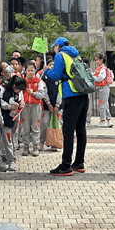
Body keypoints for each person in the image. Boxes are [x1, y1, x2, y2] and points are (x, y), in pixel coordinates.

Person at [47, 36, 88, 176]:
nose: (54, 49)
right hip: (83, 95)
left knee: (68, 131)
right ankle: (79, 163)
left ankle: (65, 166)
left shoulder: (60, 55)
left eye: (54, 47)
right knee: (81, 130)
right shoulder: (76, 56)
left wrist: (46, 70)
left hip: (72, 96)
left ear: (57, 46)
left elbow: (56, 75)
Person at [0, 75, 25, 172]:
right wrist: (8, 106)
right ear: (14, 86)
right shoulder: (2, 88)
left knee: (8, 140)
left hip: (10, 119)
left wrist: (17, 107)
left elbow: (21, 102)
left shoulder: (18, 93)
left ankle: (11, 160)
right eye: (18, 89)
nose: (19, 92)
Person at [21, 60, 46, 157]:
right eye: (28, 70)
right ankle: (26, 146)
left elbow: (42, 94)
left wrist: (33, 93)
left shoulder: (39, 82)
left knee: (35, 127)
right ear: (25, 71)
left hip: (36, 106)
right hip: (25, 106)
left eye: (32, 70)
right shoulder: (22, 82)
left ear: (35, 71)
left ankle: (35, 146)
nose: (30, 72)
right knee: (26, 127)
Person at [39, 57, 60, 151]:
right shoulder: (44, 77)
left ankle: (54, 143)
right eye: (49, 64)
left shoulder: (59, 76)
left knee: (56, 124)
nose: (51, 66)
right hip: (46, 105)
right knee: (44, 123)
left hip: (57, 105)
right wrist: (48, 103)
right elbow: (44, 91)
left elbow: (61, 92)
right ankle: (41, 142)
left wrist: (57, 105)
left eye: (53, 64)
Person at [93, 53, 113, 127]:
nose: (96, 61)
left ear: (101, 60)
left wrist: (91, 77)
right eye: (96, 60)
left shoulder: (102, 68)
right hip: (103, 87)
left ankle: (103, 120)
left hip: (102, 87)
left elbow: (100, 78)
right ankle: (108, 120)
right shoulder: (102, 68)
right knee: (105, 104)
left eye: (97, 60)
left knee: (102, 104)